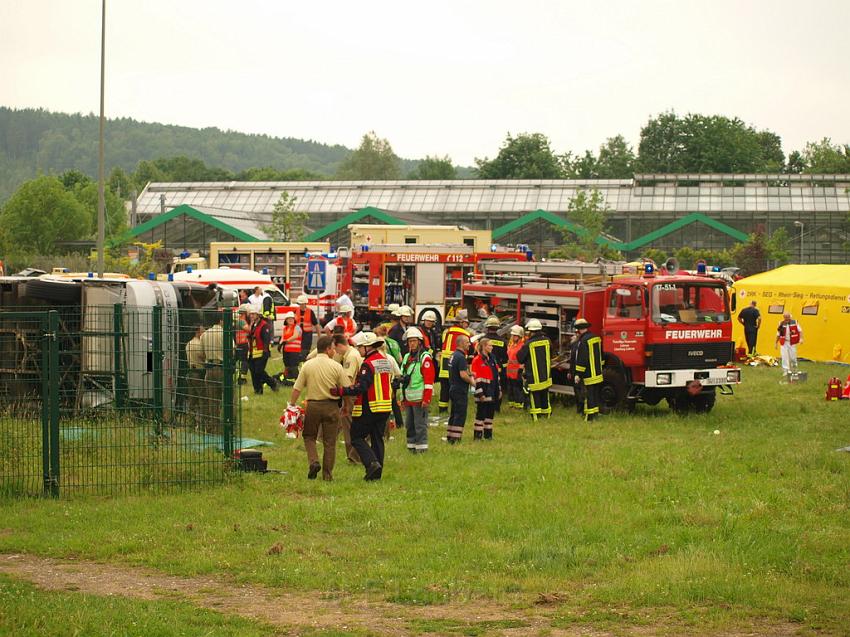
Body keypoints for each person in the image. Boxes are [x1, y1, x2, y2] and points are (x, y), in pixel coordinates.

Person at [289, 335, 348, 481]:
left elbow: (297, 388)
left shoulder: (308, 365)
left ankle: (314, 461)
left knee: (309, 436)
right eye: (333, 349)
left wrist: (291, 405)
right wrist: (346, 406)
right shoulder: (336, 366)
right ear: (328, 349)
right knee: (330, 442)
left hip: (313, 406)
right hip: (332, 407)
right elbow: (346, 388)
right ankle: (327, 475)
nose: (334, 351)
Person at [341, 332, 394, 480]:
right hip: (384, 406)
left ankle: (372, 464)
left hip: (370, 406)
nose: (358, 350)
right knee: (377, 438)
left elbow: (361, 387)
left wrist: (342, 390)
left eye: (360, 347)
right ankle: (376, 473)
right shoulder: (385, 361)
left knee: (356, 437)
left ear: (367, 347)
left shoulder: (367, 364)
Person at [400, 327, 435, 453]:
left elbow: (429, 381)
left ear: (419, 341)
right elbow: (402, 379)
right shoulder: (406, 358)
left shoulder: (425, 358)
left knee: (420, 426)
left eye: (414, 341)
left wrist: (426, 398)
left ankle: (421, 449)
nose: (412, 343)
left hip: (420, 398)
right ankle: (411, 448)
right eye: (410, 341)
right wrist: (402, 398)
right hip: (409, 398)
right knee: (409, 425)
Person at [334, 333, 363, 464]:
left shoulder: (350, 357)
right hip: (355, 394)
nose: (336, 352)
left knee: (349, 426)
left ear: (340, 345)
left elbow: (348, 380)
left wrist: (344, 400)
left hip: (350, 395)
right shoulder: (352, 354)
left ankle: (354, 456)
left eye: (336, 349)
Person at [516, 319, 552, 420]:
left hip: (533, 376)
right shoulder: (547, 341)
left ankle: (536, 417)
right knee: (545, 395)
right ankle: (547, 415)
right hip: (546, 376)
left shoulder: (529, 344)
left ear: (531, 331)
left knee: (534, 397)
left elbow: (520, 358)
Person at [437, 315, 471, 416]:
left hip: (445, 362)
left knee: (444, 387)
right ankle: (455, 409)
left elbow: (442, 343)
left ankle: (442, 409)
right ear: (461, 323)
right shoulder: (465, 333)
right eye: (466, 323)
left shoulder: (447, 331)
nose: (467, 325)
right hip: (456, 361)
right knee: (455, 386)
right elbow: (468, 348)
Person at [572, 318, 603, 422]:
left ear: (579, 330)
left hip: (589, 374)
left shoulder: (583, 341)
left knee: (588, 396)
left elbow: (582, 359)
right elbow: (601, 355)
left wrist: (578, 374)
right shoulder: (597, 338)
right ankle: (595, 414)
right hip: (598, 373)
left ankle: (589, 417)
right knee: (595, 394)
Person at [446, 334, 474, 443]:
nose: (469, 344)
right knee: (460, 414)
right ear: (461, 343)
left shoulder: (453, 355)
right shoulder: (461, 357)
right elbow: (462, 374)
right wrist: (472, 381)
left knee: (453, 413)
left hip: (452, 387)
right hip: (460, 389)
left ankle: (450, 436)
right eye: (467, 342)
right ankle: (456, 439)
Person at [471, 336, 500, 440]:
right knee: (481, 415)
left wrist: (499, 390)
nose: (491, 347)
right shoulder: (477, 360)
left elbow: (496, 375)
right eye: (490, 345)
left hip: (492, 390)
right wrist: (480, 393)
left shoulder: (492, 359)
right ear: (483, 346)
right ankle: (477, 436)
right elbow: (475, 378)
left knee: (490, 415)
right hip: (482, 391)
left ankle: (488, 436)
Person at [199, 312, 225, 425]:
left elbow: (201, 354)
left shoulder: (204, 335)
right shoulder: (225, 333)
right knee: (229, 397)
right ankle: (229, 423)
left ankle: (214, 424)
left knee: (212, 399)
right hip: (222, 368)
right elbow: (232, 350)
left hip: (209, 369)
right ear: (221, 321)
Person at [247, 305, 278, 395]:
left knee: (259, 372)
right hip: (253, 353)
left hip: (262, 353)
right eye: (251, 314)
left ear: (258, 315)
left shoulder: (264, 325)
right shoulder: (253, 324)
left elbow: (266, 340)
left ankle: (272, 383)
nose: (251, 316)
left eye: (253, 314)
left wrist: (265, 351)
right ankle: (258, 391)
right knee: (253, 372)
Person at [483, 315, 507, 411]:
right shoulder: (503, 341)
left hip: (484, 369)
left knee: (485, 387)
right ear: (497, 327)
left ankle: (486, 406)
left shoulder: (483, 340)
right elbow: (505, 358)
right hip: (498, 369)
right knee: (497, 388)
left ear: (487, 327)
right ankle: (496, 408)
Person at [184, 324, 206, 423]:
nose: (204, 332)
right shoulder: (199, 344)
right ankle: (202, 419)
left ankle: (190, 420)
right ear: (198, 332)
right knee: (202, 397)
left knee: (192, 398)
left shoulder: (189, 343)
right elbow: (203, 358)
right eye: (203, 330)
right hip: (198, 373)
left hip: (190, 373)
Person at [775, 311, 803, 376]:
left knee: (793, 357)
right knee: (784, 357)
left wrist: (801, 339)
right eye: (785, 317)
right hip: (784, 343)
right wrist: (776, 343)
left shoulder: (795, 322)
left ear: (790, 316)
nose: (787, 318)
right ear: (783, 317)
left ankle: (794, 370)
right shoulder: (781, 323)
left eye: (788, 317)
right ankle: (786, 371)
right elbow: (778, 334)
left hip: (792, 343)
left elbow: (800, 331)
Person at [278, 312, 302, 384]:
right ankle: (287, 379)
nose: (290, 320)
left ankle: (297, 380)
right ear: (286, 320)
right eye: (289, 319)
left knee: (293, 365)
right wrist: (280, 344)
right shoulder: (285, 328)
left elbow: (295, 335)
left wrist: (286, 341)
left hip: (294, 350)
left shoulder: (297, 327)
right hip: (286, 350)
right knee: (287, 365)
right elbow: (282, 337)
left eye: (292, 319)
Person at [505, 325, 526, 409]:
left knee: (517, 389)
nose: (513, 337)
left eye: (515, 335)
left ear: (520, 336)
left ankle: (519, 404)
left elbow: (523, 359)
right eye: (512, 335)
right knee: (510, 389)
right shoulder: (511, 345)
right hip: (510, 372)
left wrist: (521, 370)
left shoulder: (522, 346)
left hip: (517, 372)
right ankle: (512, 404)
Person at [296, 294, 318, 361]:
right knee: (298, 353)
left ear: (306, 303)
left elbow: (316, 324)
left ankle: (305, 364)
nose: (302, 305)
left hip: (307, 335)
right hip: (298, 335)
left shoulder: (310, 312)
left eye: (303, 304)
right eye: (300, 304)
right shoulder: (296, 311)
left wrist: (319, 336)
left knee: (305, 352)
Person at [234, 304, 251, 385]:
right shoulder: (242, 321)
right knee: (244, 361)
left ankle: (238, 376)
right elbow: (249, 330)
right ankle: (242, 378)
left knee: (237, 360)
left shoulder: (238, 321)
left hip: (239, 344)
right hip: (243, 344)